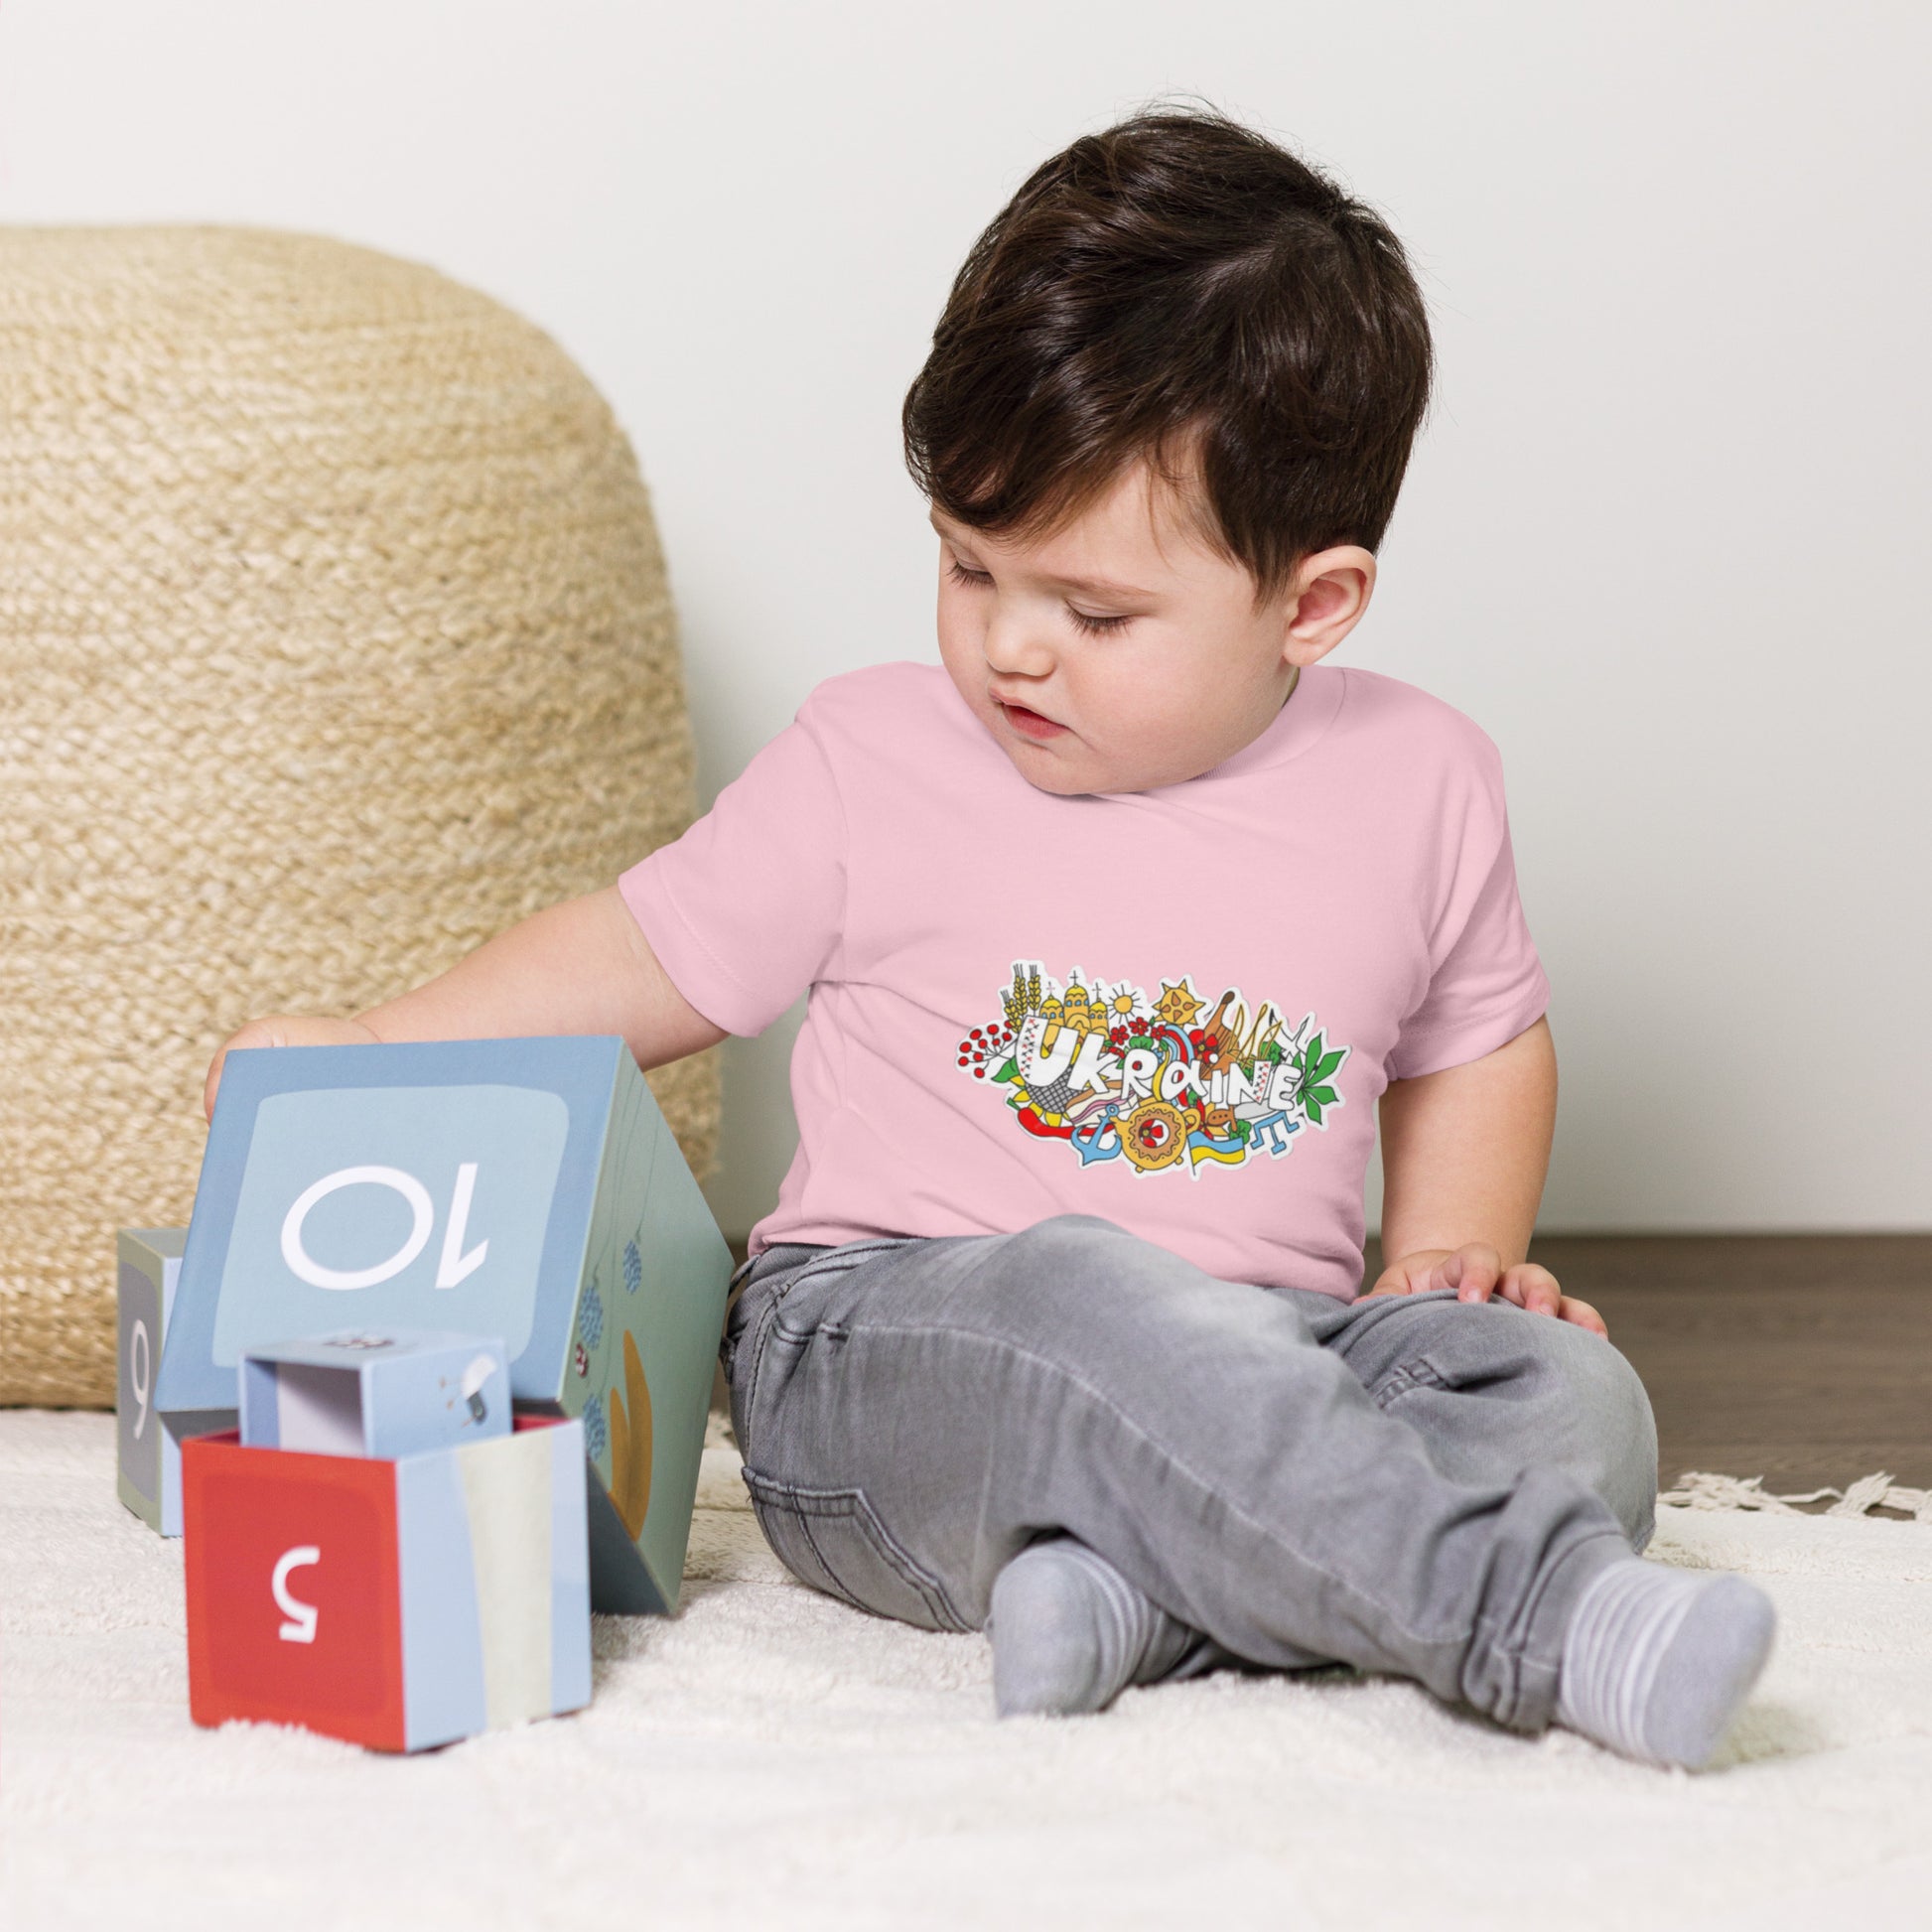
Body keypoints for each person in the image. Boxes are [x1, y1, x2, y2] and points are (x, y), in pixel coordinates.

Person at [205, 107, 1774, 1768]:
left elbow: (1476, 1033)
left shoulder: (1421, 777)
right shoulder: (868, 759)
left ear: (1309, 605)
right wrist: (375, 1051)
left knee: (1568, 1398)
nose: (1011, 647)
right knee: (1083, 1289)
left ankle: (1140, 1603)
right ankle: (1519, 1616)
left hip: (1279, 1348)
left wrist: (1440, 1262)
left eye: (1093, 612)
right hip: (891, 1347)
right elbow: (639, 952)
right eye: (968, 566)